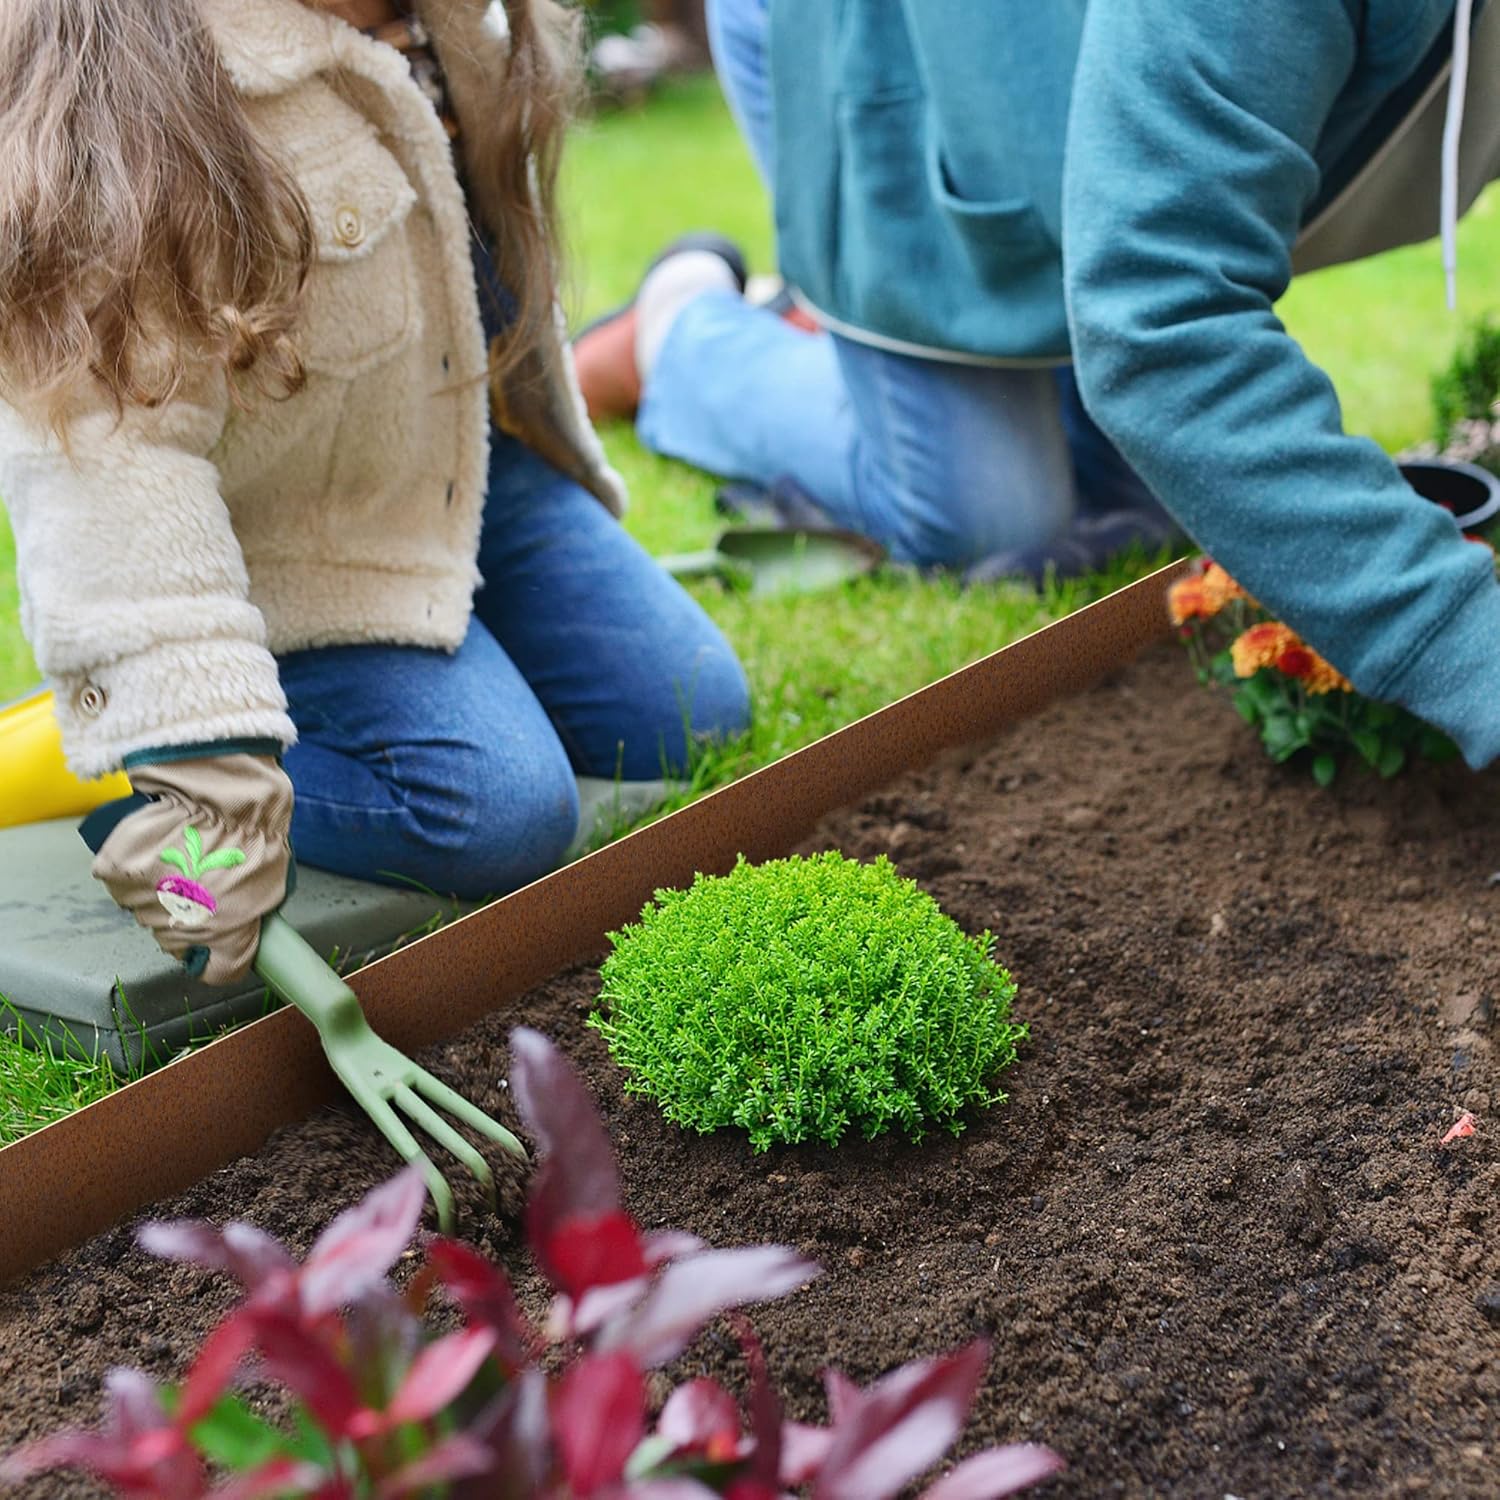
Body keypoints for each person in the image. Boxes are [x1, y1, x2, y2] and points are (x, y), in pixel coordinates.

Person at [0, 0, 750, 985]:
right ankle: (143, 746)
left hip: (465, 472)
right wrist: (198, 764)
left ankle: (404, 671)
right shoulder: (142, 82)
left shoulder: (432, 19)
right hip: (297, 548)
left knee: (691, 712)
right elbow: (109, 459)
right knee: (496, 812)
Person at [578, 0, 1500, 768]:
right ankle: (684, 334)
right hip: (891, 53)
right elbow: (1157, 317)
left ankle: (819, 323)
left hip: (1066, 83)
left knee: (1145, 493)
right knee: (990, 518)